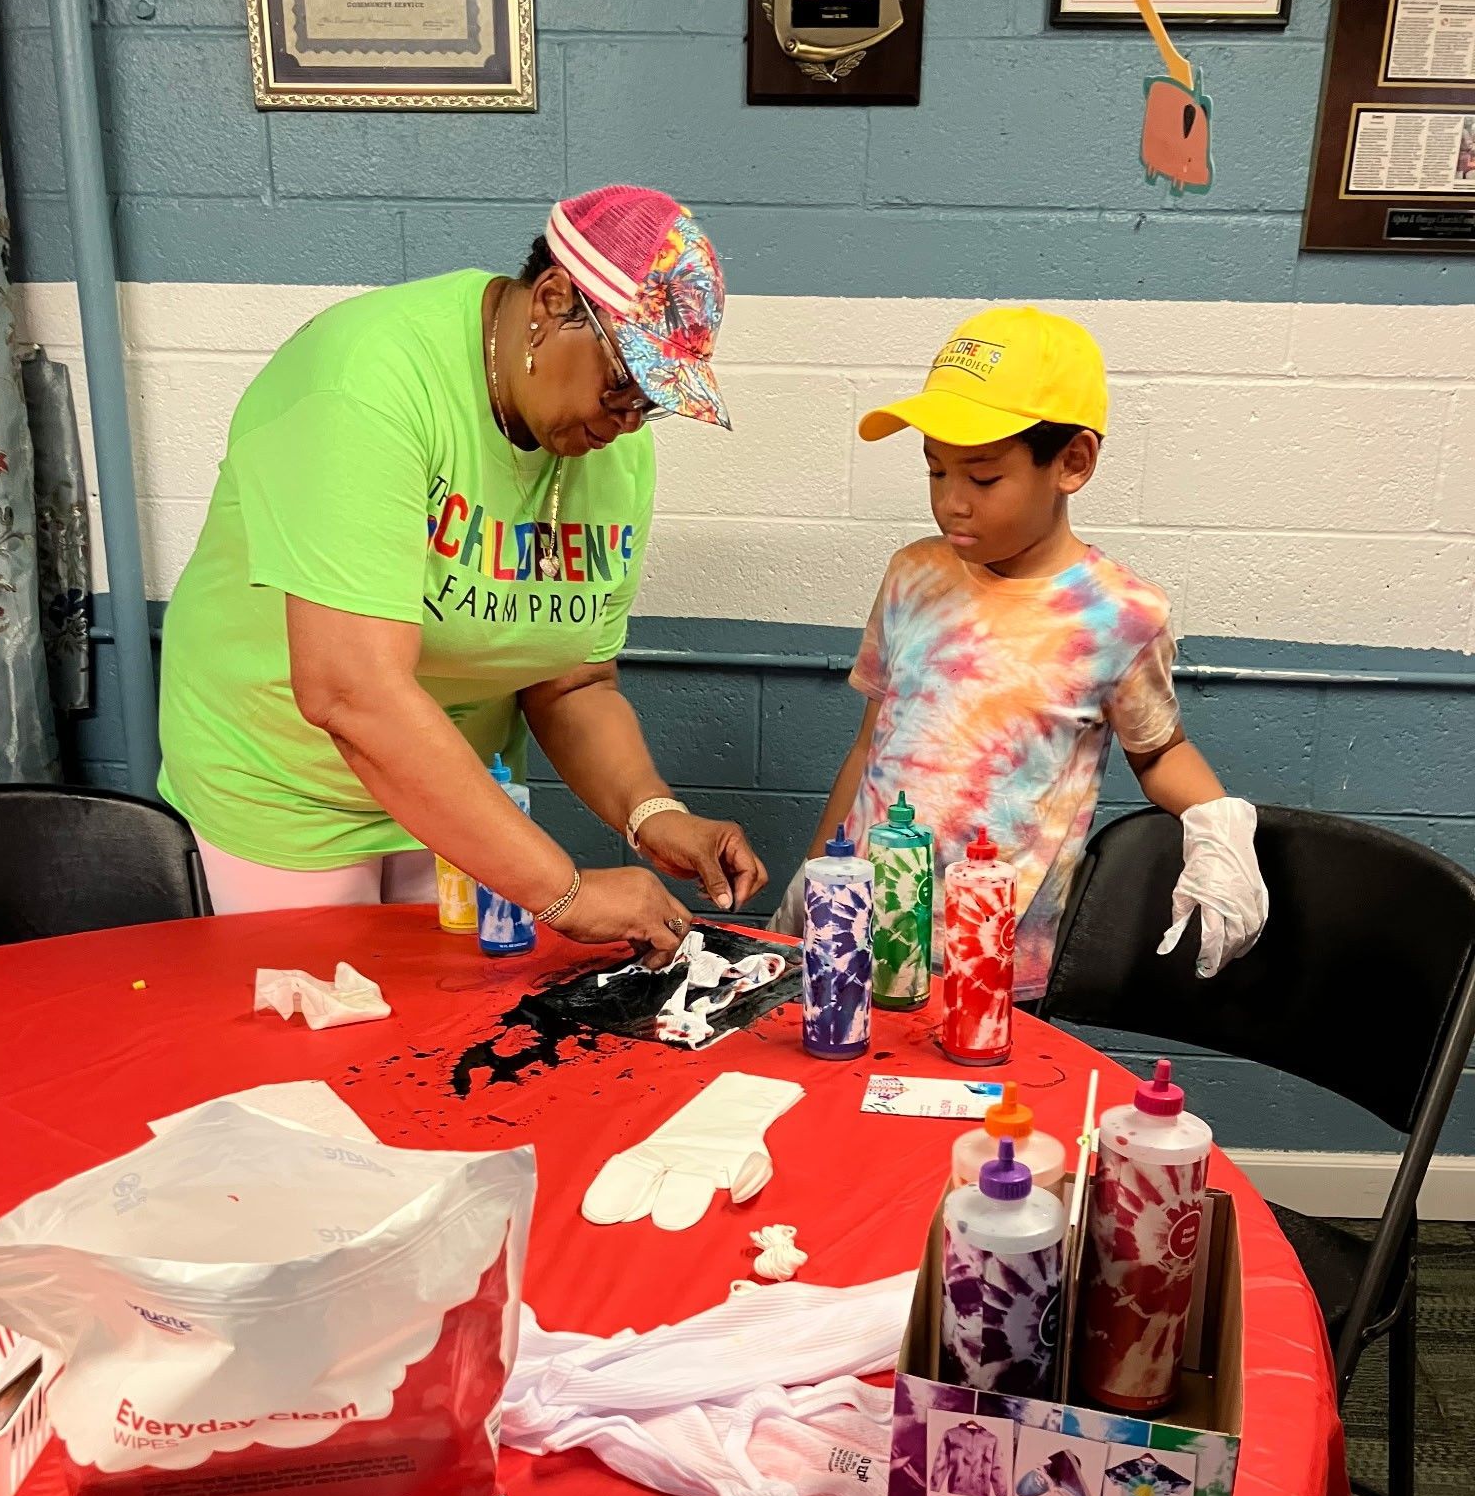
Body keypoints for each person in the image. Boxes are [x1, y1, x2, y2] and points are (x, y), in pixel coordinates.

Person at [158, 185, 767, 952]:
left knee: (448, 1033)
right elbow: (353, 693)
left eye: (651, 402)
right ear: (550, 300)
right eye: (623, 384)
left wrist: (651, 811)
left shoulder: (609, 447)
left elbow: (572, 678)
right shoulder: (366, 385)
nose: (627, 421)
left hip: (457, 787)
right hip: (289, 781)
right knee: (326, 1033)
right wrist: (567, 894)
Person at [772, 307, 1267, 992]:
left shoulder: (1119, 615)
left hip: (991, 957)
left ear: (1072, 462)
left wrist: (1218, 823)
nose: (952, 504)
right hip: (855, 923)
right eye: (935, 471)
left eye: (981, 478)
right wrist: (819, 872)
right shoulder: (914, 574)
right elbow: (870, 748)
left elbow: (1159, 750)